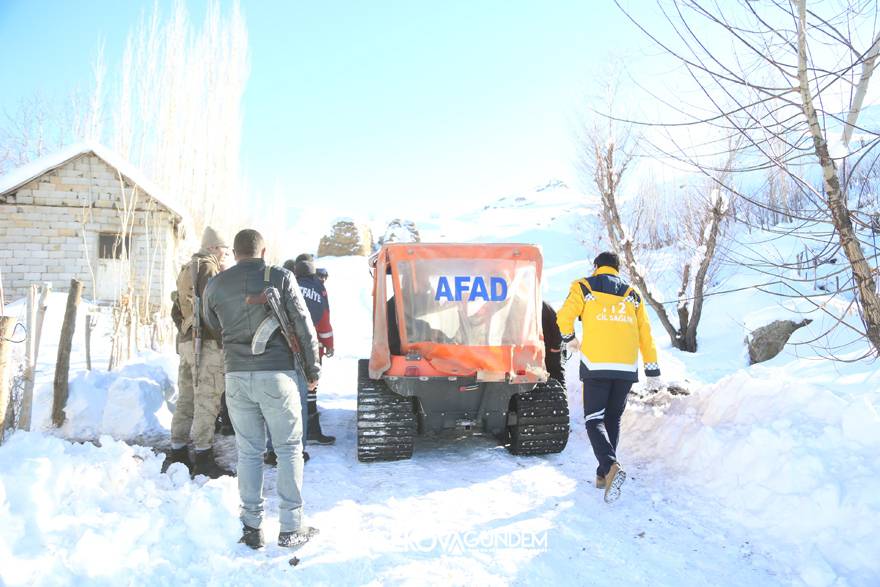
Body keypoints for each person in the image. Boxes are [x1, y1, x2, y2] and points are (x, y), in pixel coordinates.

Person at [203, 229, 321, 550]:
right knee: (288, 449)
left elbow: (211, 324)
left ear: (236, 252)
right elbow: (303, 324)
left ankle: (252, 528)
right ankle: (290, 527)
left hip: (237, 378)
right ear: (263, 250)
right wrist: (312, 371)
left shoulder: (216, 284)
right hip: (277, 376)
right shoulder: (280, 277)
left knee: (249, 452)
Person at [556, 251, 661, 504]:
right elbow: (645, 332)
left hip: (597, 365)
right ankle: (603, 475)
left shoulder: (584, 286)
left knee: (594, 420)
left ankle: (611, 466)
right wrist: (652, 369)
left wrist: (570, 339)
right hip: (625, 368)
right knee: (612, 418)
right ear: (617, 268)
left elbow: (563, 318)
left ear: (596, 267)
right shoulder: (632, 294)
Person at [164, 226, 232, 478]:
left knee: (187, 399)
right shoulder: (208, 267)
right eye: (223, 252)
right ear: (214, 248)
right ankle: (203, 456)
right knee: (207, 399)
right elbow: (214, 308)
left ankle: (178, 451)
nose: (224, 257)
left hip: (187, 342)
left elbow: (176, 310)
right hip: (205, 344)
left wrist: (186, 330)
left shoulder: (187, 268)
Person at [541, 301, 564, 385]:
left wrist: (556, 346)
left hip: (550, 349)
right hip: (535, 351)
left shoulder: (543, 305)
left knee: (555, 374)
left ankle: (560, 395)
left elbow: (558, 325)